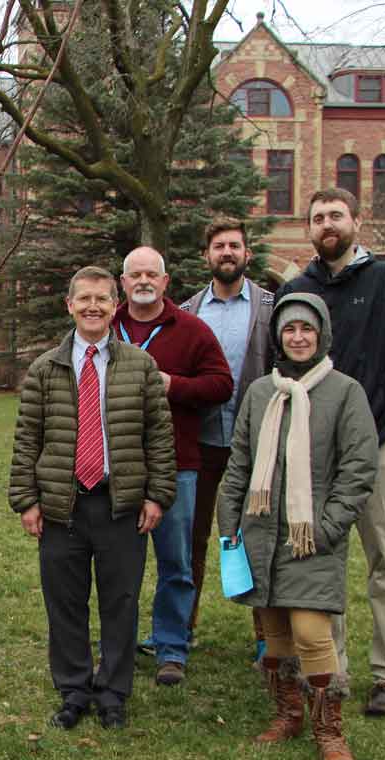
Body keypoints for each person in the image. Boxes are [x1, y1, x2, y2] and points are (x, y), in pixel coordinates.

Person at [9, 265, 176, 731]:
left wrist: (157, 496)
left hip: (119, 502)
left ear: (114, 305)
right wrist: (27, 500)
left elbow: (159, 438)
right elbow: (27, 439)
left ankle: (114, 692)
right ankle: (74, 688)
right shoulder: (45, 369)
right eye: (84, 299)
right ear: (70, 305)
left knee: (120, 601)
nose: (93, 306)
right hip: (63, 503)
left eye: (102, 299)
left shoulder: (139, 366)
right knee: (65, 601)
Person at [279, 188, 385, 716]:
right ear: (309, 229)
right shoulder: (300, 289)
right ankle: (329, 669)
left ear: (357, 222)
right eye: (318, 218)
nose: (328, 224)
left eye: (336, 215)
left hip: (377, 443)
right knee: (322, 561)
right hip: (318, 450)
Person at [218, 294, 377, 760]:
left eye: (308, 328)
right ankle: (287, 713)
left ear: (322, 333)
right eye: (290, 329)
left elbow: (358, 466)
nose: (299, 337)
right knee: (276, 636)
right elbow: (240, 462)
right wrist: (230, 526)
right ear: (279, 336)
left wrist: (329, 526)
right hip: (261, 533)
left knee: (311, 631)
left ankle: (329, 731)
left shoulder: (344, 392)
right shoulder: (261, 393)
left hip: (312, 536)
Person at [114, 246, 232, 687]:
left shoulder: (191, 330)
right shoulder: (108, 328)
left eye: (152, 274)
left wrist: (173, 385)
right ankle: (119, 643)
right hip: (117, 466)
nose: (143, 281)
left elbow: (222, 384)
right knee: (119, 564)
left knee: (176, 563)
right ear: (123, 284)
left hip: (177, 465)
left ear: (165, 283)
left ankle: (171, 648)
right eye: (135, 275)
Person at [180, 220, 276, 665]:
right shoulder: (188, 313)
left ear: (247, 254)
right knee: (191, 537)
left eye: (234, 246)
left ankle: (267, 635)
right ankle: (182, 626)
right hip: (200, 442)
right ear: (207, 256)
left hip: (254, 444)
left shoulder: (270, 309)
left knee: (256, 538)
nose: (227, 252)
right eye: (218, 246)